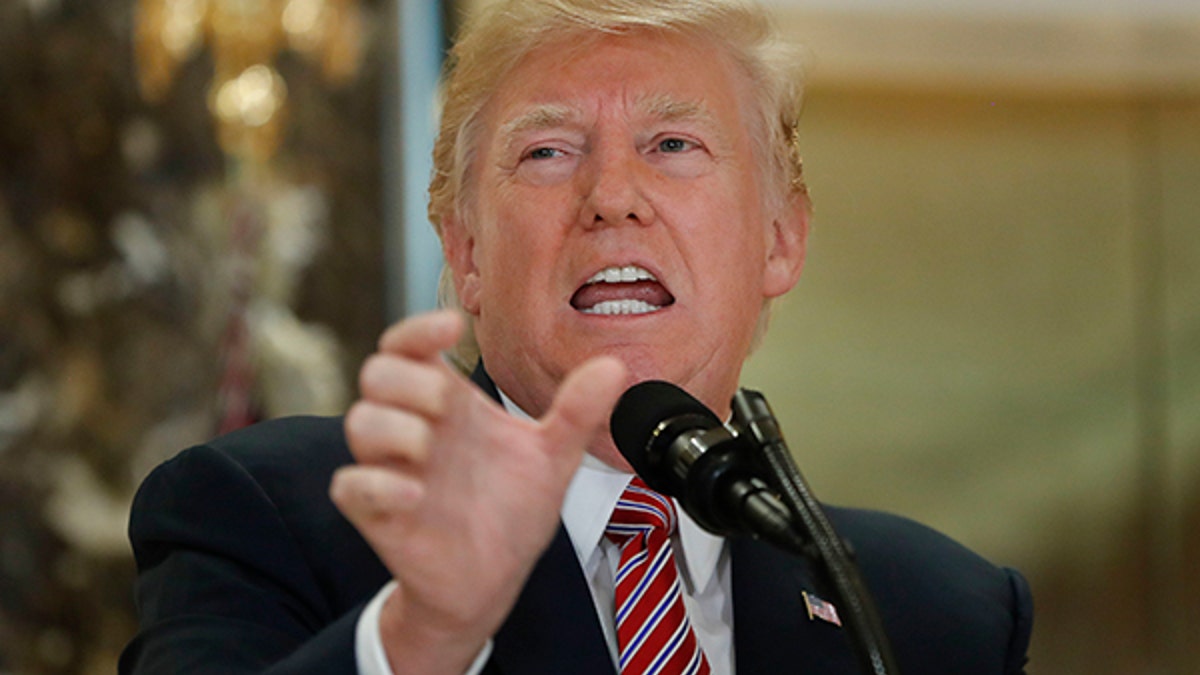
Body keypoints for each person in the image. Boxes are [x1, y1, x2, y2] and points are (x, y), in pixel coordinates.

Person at [119, 0, 1034, 673]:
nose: (612, 196)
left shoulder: (936, 611)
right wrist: (421, 639)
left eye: (674, 144)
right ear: (466, 251)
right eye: (548, 151)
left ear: (780, 239)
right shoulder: (270, 515)